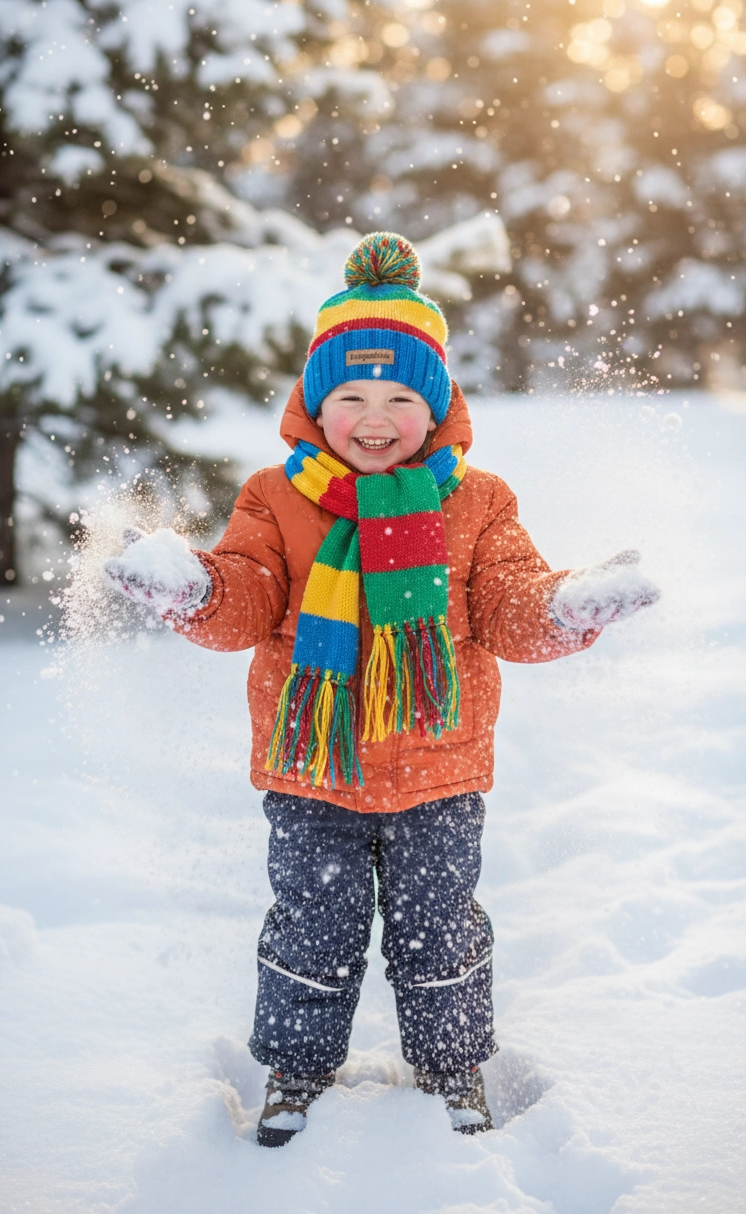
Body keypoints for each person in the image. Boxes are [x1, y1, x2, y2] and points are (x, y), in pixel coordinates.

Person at [103, 233, 660, 1146]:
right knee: (310, 930)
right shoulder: (273, 500)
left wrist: (568, 607)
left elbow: (509, 605)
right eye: (351, 395)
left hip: (439, 776)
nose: (374, 414)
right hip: (314, 769)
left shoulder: (476, 502)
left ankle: (452, 1067)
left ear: (436, 411)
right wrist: (196, 589)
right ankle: (296, 1068)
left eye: (402, 396)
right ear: (314, 406)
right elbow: (247, 598)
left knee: (441, 933)